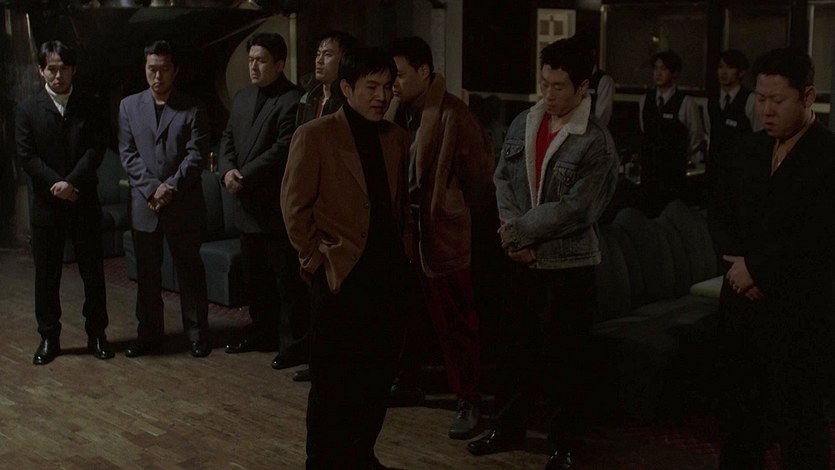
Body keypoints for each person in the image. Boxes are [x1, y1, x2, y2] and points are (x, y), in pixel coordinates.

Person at [468, 37, 619, 470]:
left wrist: (518, 232)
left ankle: (564, 443)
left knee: (566, 360)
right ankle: (506, 426)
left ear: (582, 87)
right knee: (513, 349)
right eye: (544, 83)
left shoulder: (595, 142)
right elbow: (502, 177)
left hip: (569, 263)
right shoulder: (524, 122)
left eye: (558, 87)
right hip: (519, 257)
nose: (548, 94)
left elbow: (578, 209)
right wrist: (514, 236)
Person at [281, 47, 414, 470]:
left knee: (376, 380)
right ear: (346, 88)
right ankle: (321, 462)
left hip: (387, 278)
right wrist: (314, 261)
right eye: (371, 87)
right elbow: (294, 208)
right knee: (332, 385)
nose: (381, 96)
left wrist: (405, 257)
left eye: (387, 87)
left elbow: (399, 207)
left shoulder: (396, 138)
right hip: (339, 277)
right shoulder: (316, 135)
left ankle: (361, 455)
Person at [709, 47, 835, 470]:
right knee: (738, 422)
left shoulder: (828, 155)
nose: (766, 110)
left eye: (777, 100)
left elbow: (820, 236)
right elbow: (718, 214)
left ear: (808, 96)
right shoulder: (746, 150)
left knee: (801, 426)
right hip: (740, 308)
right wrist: (736, 269)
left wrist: (758, 270)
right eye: (760, 99)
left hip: (796, 313)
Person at [386, 35, 494, 439]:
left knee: (456, 321)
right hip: (405, 233)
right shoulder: (395, 112)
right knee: (406, 316)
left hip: (442, 232)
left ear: (424, 72)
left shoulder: (453, 114)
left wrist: (450, 210)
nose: (394, 83)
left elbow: (480, 179)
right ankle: (408, 380)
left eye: (400, 74)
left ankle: (469, 399)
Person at [16, 40, 113, 365]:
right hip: (47, 205)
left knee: (93, 274)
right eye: (52, 69)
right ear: (41, 70)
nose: (58, 76)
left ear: (73, 70)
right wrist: (55, 185)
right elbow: (27, 156)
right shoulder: (28, 109)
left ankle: (97, 334)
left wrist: (71, 182)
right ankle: (49, 337)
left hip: (83, 200)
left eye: (64, 69)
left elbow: (96, 149)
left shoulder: (90, 104)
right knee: (46, 277)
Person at [118, 40, 211, 358]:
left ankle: (197, 334)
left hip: (182, 202)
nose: (157, 76)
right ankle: (148, 336)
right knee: (147, 275)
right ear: (145, 69)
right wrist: (152, 189)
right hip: (145, 204)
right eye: (152, 69)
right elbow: (128, 154)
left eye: (164, 69)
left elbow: (196, 156)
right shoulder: (128, 106)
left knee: (190, 271)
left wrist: (169, 188)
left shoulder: (193, 107)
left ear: (175, 70)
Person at [219, 33, 304, 368]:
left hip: (274, 206)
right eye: (251, 60)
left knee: (285, 282)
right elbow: (227, 139)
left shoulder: (292, 99)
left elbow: (282, 150)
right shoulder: (242, 97)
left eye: (261, 60)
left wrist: (242, 175)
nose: (253, 66)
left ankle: (290, 344)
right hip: (245, 205)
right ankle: (260, 333)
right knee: (255, 279)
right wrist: (227, 170)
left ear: (280, 64)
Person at [287, 29, 356, 383]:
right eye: (318, 53)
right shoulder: (309, 96)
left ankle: (329, 364)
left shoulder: (347, 104)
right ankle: (312, 353)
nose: (319, 59)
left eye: (327, 54)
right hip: (306, 200)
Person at [638, 50, 705, 214]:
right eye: (655, 68)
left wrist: (681, 156)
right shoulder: (644, 100)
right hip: (649, 170)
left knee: (671, 213)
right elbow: (643, 129)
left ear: (674, 73)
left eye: (663, 69)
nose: (658, 73)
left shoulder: (686, 102)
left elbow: (696, 136)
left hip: (673, 172)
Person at [704, 49, 760, 192]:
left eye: (729, 67)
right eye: (720, 67)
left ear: (741, 72)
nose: (723, 72)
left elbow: (759, 134)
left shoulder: (750, 99)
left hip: (741, 170)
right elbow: (710, 132)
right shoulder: (710, 100)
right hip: (715, 170)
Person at [572, 31, 614, 127]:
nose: (579, 56)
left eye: (582, 51)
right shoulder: (572, 78)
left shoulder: (604, 81)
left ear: (593, 52)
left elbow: (601, 118)